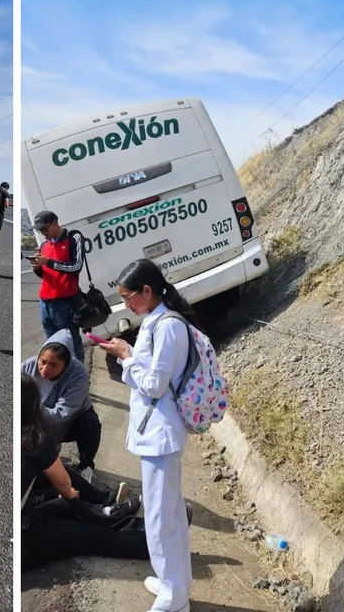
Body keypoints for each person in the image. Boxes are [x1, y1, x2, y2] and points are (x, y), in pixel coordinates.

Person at [95, 258, 198, 612]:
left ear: (148, 291)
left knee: (159, 521)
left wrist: (125, 356)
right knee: (167, 516)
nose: (126, 305)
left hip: (161, 434)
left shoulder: (167, 326)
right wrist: (128, 354)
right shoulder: (158, 320)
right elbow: (155, 373)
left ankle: (174, 599)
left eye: (129, 297)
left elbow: (154, 385)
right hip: (158, 432)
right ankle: (175, 585)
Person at [20, 374, 148, 572]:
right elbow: (63, 483)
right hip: (24, 540)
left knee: (66, 507)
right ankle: (162, 543)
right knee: (97, 536)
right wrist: (71, 495)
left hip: (26, 519)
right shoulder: (33, 439)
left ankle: (127, 518)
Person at [20, 331, 103, 472]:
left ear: (66, 364)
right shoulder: (27, 366)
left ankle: (85, 467)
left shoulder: (78, 374)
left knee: (91, 424)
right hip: (38, 422)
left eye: (53, 364)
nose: (45, 369)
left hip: (69, 421)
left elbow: (61, 415)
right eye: (43, 362)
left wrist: (31, 407)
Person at [29, 210, 85, 361]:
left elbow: (76, 266)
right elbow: (45, 275)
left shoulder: (73, 238)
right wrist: (37, 268)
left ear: (54, 223)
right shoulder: (43, 245)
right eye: (39, 230)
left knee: (71, 344)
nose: (42, 233)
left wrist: (49, 262)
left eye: (44, 229)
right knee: (52, 345)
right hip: (45, 302)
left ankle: (78, 379)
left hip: (64, 302)